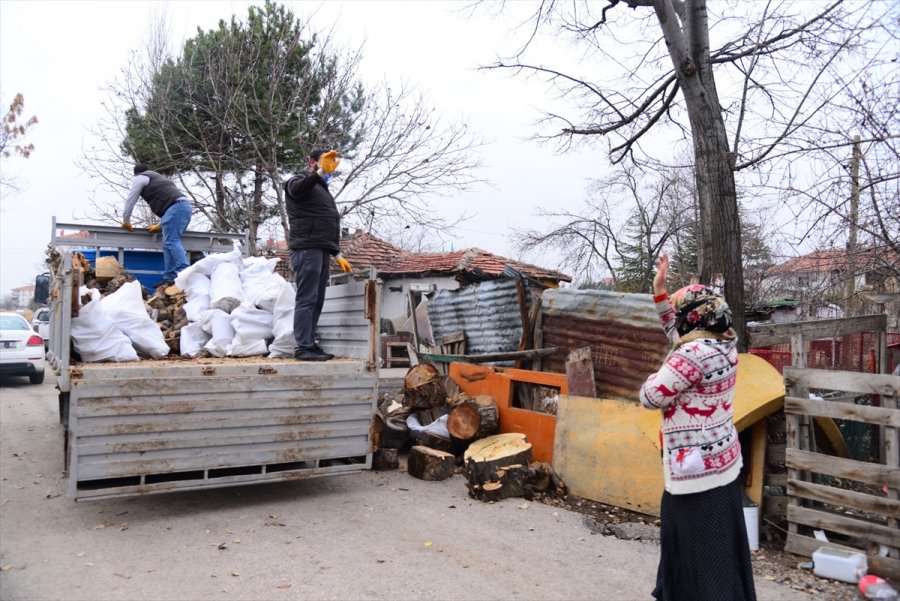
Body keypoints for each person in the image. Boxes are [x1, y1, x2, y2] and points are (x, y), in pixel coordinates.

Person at [639, 253, 757, 601]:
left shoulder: (691, 355)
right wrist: (660, 291)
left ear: (694, 318)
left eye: (679, 310)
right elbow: (674, 331)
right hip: (722, 465)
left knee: (700, 555)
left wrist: (652, 376)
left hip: (695, 475)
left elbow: (650, 396)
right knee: (718, 549)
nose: (676, 320)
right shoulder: (724, 343)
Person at [284, 149, 352, 362]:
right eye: (325, 161)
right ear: (312, 162)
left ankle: (310, 345)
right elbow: (296, 190)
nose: (330, 165)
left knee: (317, 300)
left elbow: (326, 222)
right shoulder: (299, 181)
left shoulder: (321, 188)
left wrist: (337, 253)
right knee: (306, 299)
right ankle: (302, 347)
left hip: (321, 249)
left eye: (332, 162)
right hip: (306, 249)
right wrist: (320, 171)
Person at [122, 164, 193, 287]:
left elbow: (131, 199)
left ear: (136, 174)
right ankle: (169, 277)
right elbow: (169, 200)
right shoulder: (159, 178)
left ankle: (183, 272)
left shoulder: (141, 178)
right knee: (167, 243)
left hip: (177, 208)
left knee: (171, 241)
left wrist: (126, 220)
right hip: (182, 207)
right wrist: (160, 225)